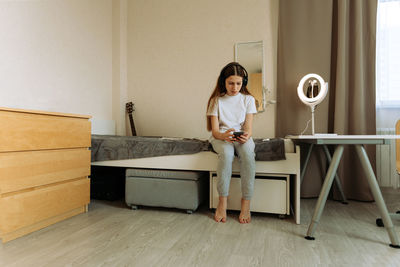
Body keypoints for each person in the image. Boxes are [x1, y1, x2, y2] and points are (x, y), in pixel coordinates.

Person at [206, 62, 257, 224]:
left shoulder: (248, 100)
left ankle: (246, 203)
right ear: (223, 82)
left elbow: (248, 127)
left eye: (238, 83)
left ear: (244, 83)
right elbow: (214, 131)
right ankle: (222, 202)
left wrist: (246, 136)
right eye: (230, 83)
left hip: (240, 138)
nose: (234, 87)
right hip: (221, 138)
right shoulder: (216, 101)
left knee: (248, 153)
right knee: (227, 154)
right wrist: (223, 136)